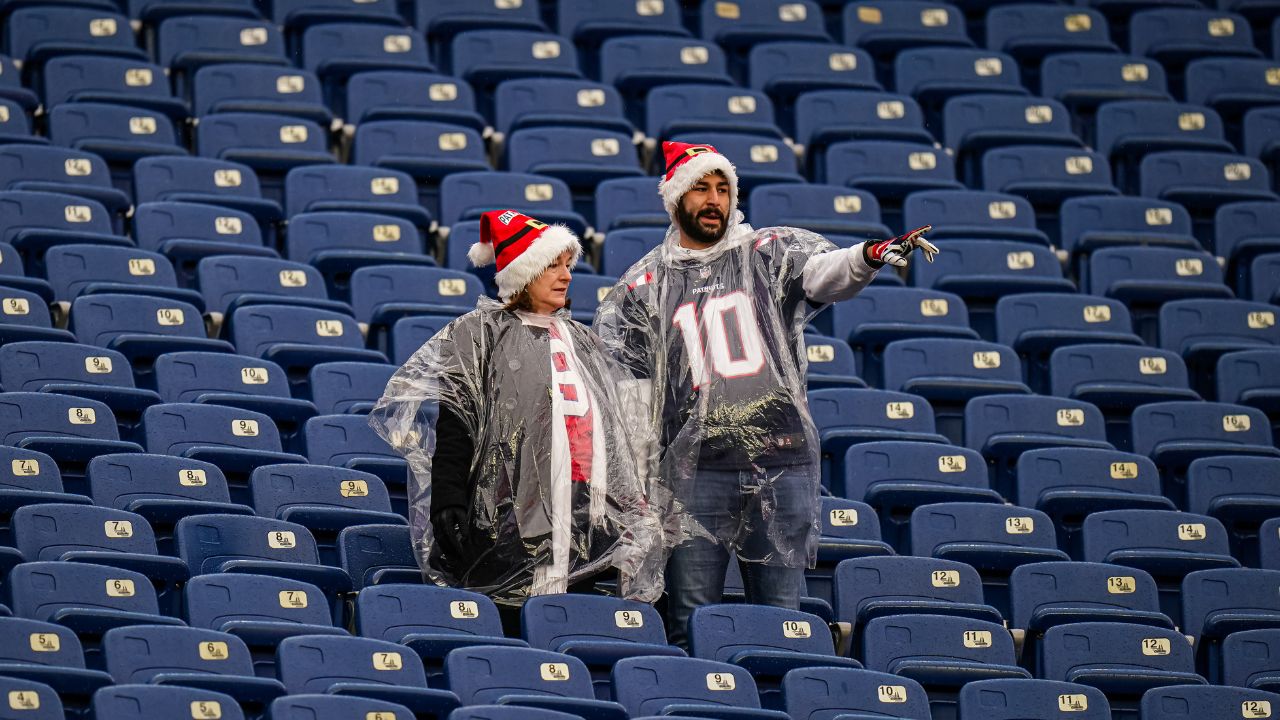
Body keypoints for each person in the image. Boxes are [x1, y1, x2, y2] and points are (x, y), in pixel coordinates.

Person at [594, 141, 937, 647]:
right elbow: (630, 394)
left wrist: (866, 258)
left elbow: (825, 272)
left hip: (783, 461)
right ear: (673, 200)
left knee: (781, 620)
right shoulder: (644, 284)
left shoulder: (766, 252)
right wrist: (641, 486)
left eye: (722, 188)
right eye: (700, 188)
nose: (714, 199)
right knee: (691, 621)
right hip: (693, 473)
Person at [370, 209, 664, 606]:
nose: (566, 276)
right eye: (552, 267)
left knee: (568, 631)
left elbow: (614, 438)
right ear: (522, 274)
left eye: (567, 265)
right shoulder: (477, 334)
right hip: (506, 520)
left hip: (581, 523)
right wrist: (449, 496)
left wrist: (628, 509)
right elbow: (457, 422)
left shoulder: (584, 342)